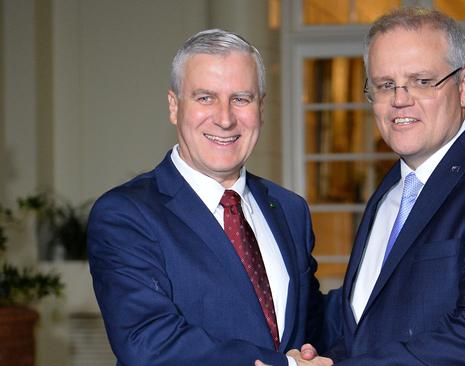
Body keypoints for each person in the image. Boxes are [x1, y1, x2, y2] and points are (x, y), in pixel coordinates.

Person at [298, 6, 465, 365]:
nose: (400, 99)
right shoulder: (393, 189)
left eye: (422, 81)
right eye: (385, 85)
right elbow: (367, 317)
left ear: (464, 85)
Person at [87, 29, 332, 366]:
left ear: (261, 107)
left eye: (241, 98)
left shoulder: (290, 211)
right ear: (174, 106)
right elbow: (147, 343)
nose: (225, 118)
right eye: (205, 97)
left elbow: (311, 328)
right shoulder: (126, 215)